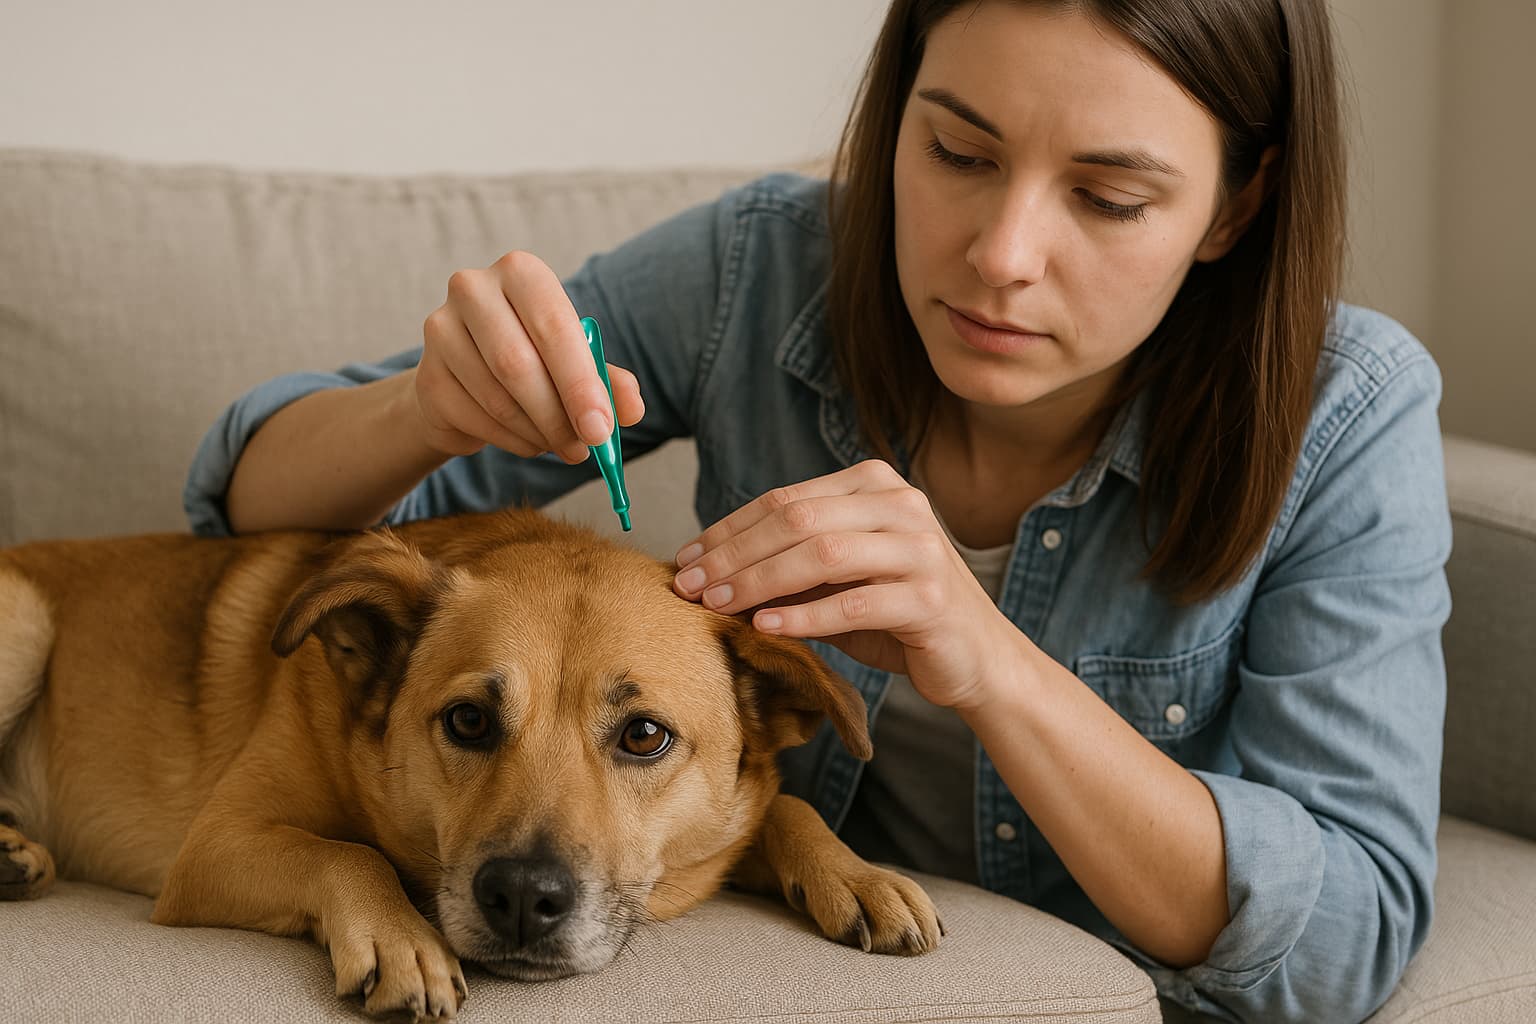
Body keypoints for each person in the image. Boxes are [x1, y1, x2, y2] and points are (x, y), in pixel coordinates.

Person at [184, 1, 1452, 1020]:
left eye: (1109, 198)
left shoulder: (1347, 416)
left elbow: (1344, 945)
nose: (1003, 252)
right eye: (956, 151)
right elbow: (240, 509)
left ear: (1235, 204)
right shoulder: (758, 272)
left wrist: (992, 666)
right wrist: (425, 411)